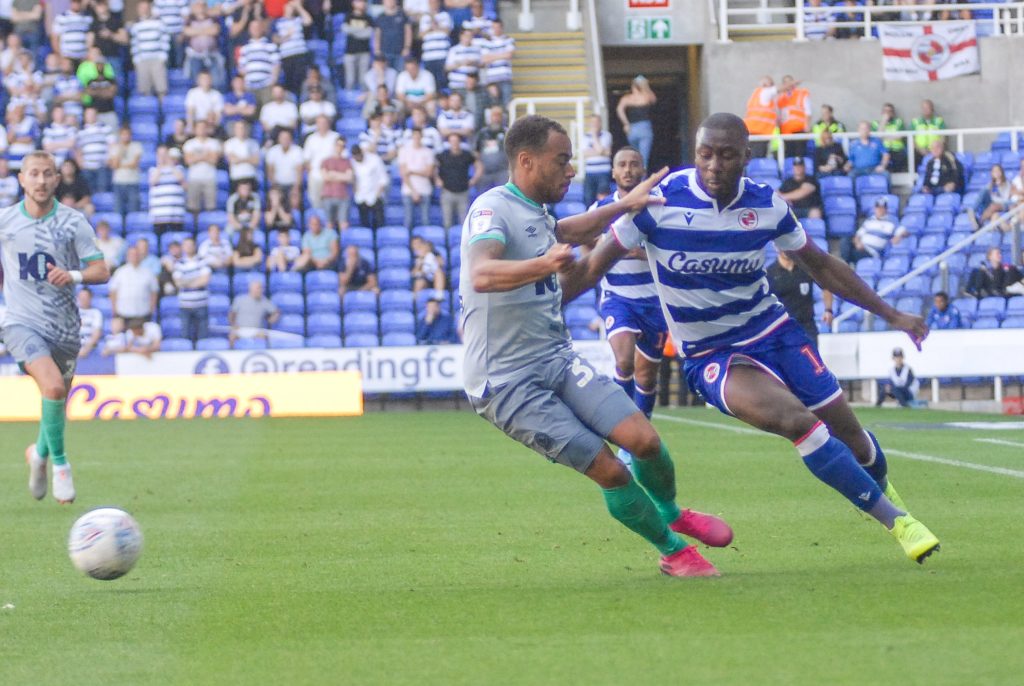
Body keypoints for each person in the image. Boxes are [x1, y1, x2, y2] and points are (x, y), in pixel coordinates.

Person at [608, 112, 940, 564]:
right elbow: (593, 261)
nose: (714, 165)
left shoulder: (766, 205)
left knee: (854, 438)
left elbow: (821, 265)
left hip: (773, 332)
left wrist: (891, 313)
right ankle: (898, 521)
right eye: (706, 154)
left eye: (727, 155)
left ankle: (875, 487)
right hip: (710, 354)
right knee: (797, 422)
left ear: (746, 157)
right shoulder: (660, 202)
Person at [460, 114, 731, 577]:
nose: (570, 171)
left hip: (556, 358)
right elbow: (482, 274)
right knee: (610, 470)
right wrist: (545, 264)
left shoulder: (538, 211)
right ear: (526, 161)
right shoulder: (491, 210)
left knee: (643, 439)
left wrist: (626, 205)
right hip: (505, 383)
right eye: (561, 161)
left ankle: (669, 510)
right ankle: (672, 550)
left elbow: (573, 230)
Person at [0, 151, 110, 504]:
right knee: (51, 386)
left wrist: (73, 274)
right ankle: (61, 466)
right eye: (34, 174)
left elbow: (101, 270)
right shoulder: (5, 222)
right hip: (20, 323)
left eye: (48, 174)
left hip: (64, 326)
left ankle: (39, 455)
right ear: (22, 179)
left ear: (57, 179)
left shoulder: (73, 222)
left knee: (57, 400)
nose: (41, 180)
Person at [585, 146, 669, 421]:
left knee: (646, 377)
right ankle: (622, 430)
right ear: (613, 171)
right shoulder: (601, 209)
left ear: (643, 170)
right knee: (623, 361)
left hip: (654, 301)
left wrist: (639, 252)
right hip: (618, 297)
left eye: (634, 164)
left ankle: (639, 436)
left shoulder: (659, 208)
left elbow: (671, 255)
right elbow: (587, 243)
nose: (628, 170)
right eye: (622, 164)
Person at [766, 251, 834, 348]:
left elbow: (826, 286)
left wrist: (828, 310)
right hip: (782, 330)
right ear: (776, 247)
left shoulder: (806, 268)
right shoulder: (770, 273)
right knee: (787, 363)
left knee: (811, 362)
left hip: (807, 328)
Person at [841, 198, 907, 264]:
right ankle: (845, 263)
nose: (880, 210)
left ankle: (845, 266)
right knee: (846, 239)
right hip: (862, 246)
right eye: (878, 208)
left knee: (852, 254)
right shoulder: (870, 220)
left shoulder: (892, 221)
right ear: (875, 209)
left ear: (886, 209)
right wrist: (858, 243)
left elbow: (904, 231)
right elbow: (858, 235)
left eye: (882, 208)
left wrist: (898, 236)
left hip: (872, 252)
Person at [109, 245, 159, 329]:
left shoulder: (148, 273)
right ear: (127, 256)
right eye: (131, 254)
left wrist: (152, 308)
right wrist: (114, 310)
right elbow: (113, 291)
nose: (134, 257)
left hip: (143, 314)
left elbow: (154, 291)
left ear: (140, 256)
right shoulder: (120, 272)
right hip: (124, 314)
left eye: (136, 254)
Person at [172, 237, 212, 343]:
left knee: (203, 337)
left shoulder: (202, 261)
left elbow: (205, 280)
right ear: (183, 247)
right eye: (186, 245)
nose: (188, 247)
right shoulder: (179, 263)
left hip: (201, 304)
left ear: (195, 246)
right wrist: (196, 280)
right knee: (185, 336)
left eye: (191, 245)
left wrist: (187, 281)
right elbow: (178, 282)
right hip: (185, 306)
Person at [129, 2, 170, 103]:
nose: (144, 10)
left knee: (161, 88)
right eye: (141, 8)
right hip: (142, 60)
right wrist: (136, 59)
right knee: (144, 89)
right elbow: (134, 43)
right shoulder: (136, 25)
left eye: (146, 8)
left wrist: (162, 57)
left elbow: (165, 39)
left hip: (157, 59)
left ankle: (162, 111)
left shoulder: (159, 23)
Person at [435, 133, 477, 230]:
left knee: (464, 222)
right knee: (447, 222)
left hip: (463, 192)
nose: (454, 143)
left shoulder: (466, 155)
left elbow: (479, 165)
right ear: (449, 142)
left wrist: (474, 179)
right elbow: (434, 167)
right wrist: (437, 178)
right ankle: (447, 243)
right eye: (452, 141)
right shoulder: (442, 155)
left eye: (456, 141)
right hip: (447, 191)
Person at [398, 128, 436, 229]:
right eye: (415, 136)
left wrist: (412, 171)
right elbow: (403, 173)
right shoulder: (404, 151)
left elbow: (429, 173)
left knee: (425, 220)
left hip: (425, 189)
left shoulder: (428, 152)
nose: (417, 138)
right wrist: (413, 191)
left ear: (421, 137)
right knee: (408, 221)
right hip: (408, 190)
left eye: (419, 136)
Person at [615, 75, 656, 168]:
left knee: (635, 155)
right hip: (644, 127)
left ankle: (637, 177)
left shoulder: (627, 98)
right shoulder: (645, 96)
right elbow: (653, 99)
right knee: (642, 158)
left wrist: (625, 123)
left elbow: (619, 109)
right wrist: (646, 87)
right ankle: (641, 178)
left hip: (632, 127)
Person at [183, 120, 222, 214]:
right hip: (194, 178)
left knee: (211, 207)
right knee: (193, 207)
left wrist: (196, 156)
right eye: (199, 127)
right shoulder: (189, 144)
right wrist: (205, 155)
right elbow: (188, 161)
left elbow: (214, 160)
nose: (201, 130)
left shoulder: (214, 143)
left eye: (204, 127)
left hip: (210, 178)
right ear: (195, 129)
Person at [149, 146, 189, 235]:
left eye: (164, 154)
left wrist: (171, 165)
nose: (163, 157)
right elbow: (153, 182)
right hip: (159, 216)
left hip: (176, 215)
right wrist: (160, 166)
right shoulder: (153, 170)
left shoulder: (178, 169)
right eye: (160, 155)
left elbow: (182, 181)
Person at [229, 279, 280, 346]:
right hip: (241, 329)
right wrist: (233, 325)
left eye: (261, 288)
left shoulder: (264, 301)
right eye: (258, 288)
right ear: (251, 289)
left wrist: (273, 318)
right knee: (232, 336)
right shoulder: (240, 300)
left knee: (264, 337)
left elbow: (276, 311)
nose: (260, 290)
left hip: (257, 331)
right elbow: (231, 314)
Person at [350, 143, 389, 229]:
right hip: (361, 196)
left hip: (376, 195)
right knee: (364, 224)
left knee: (379, 223)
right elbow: (353, 178)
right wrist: (355, 190)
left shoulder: (374, 159)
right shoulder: (352, 163)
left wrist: (378, 194)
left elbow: (383, 178)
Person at [320, 136, 354, 231]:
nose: (340, 148)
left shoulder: (347, 162)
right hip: (328, 195)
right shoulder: (326, 161)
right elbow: (325, 177)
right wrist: (341, 176)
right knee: (329, 223)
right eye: (338, 145)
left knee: (343, 223)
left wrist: (333, 174)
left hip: (343, 196)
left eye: (342, 146)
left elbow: (349, 177)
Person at [108, 126, 143, 216]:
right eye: (123, 134)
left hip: (132, 182)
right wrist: (120, 151)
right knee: (117, 210)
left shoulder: (136, 146)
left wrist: (121, 165)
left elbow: (134, 164)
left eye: (127, 134)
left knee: (133, 210)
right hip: (118, 182)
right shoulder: (115, 147)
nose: (125, 136)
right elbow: (114, 165)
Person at [474, 105, 508, 193]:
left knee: (504, 196)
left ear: (502, 117)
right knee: (483, 197)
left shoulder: (507, 133)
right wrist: (478, 167)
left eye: (498, 115)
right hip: (485, 172)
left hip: (502, 172)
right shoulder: (482, 133)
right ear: (490, 117)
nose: (496, 118)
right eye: (494, 115)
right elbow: (476, 152)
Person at [968, 164, 1013, 230]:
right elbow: (992, 198)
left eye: (998, 171)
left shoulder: (1008, 183)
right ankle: (973, 211)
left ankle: (980, 221)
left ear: (1001, 172)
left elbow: (1007, 199)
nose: (996, 173)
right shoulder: (991, 185)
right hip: (993, 205)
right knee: (985, 191)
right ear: (992, 174)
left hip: (1005, 204)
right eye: (994, 171)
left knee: (993, 206)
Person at [581, 114, 612, 210]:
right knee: (588, 198)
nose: (595, 124)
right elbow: (585, 154)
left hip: (604, 171)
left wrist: (594, 136)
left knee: (603, 198)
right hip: (590, 172)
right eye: (593, 122)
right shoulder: (585, 137)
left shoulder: (607, 135)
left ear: (600, 123)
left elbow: (602, 151)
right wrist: (601, 151)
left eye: (597, 122)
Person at [742, 75, 776, 159]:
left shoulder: (755, 95)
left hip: (751, 132)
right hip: (761, 132)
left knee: (750, 157)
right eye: (770, 84)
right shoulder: (766, 93)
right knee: (758, 158)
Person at [776, 75, 811, 158]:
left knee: (800, 155)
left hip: (799, 129)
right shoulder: (780, 96)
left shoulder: (802, 93)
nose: (788, 84)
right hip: (785, 131)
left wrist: (807, 125)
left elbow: (808, 111)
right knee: (788, 155)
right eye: (785, 82)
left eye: (790, 81)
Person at [342, 0, 373, 91]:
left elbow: (368, 33)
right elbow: (345, 29)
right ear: (353, 3)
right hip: (349, 52)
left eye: (363, 2)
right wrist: (361, 31)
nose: (361, 4)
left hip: (364, 52)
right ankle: (348, 101)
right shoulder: (348, 16)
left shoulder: (368, 18)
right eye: (359, 1)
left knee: (363, 81)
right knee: (350, 80)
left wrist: (353, 31)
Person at [872, 103, 906, 172]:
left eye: (889, 111)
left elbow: (900, 136)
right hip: (882, 150)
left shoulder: (898, 122)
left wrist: (884, 136)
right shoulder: (875, 123)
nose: (887, 113)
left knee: (901, 157)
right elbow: (877, 137)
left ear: (893, 113)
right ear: (882, 112)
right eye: (885, 111)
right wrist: (884, 121)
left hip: (897, 150)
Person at [76, 288, 104, 359]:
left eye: (85, 298)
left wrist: (85, 350)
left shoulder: (96, 313)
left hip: (90, 348)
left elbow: (96, 334)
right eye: (81, 297)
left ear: (90, 298)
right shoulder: (73, 312)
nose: (83, 300)